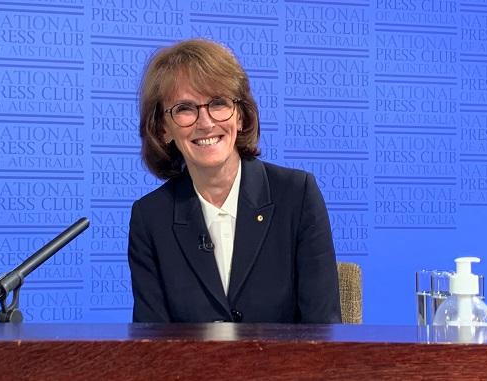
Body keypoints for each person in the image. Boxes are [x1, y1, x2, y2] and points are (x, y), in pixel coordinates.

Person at [128, 38, 341, 323]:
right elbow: (152, 347)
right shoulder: (151, 217)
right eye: (185, 109)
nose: (205, 122)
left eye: (218, 103)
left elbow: (322, 331)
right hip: (189, 370)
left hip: (287, 368)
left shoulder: (297, 196)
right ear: (163, 129)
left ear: (240, 116)